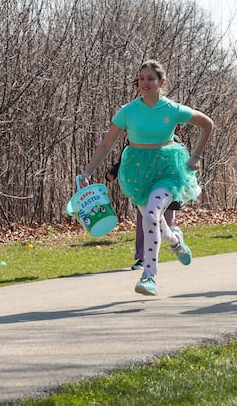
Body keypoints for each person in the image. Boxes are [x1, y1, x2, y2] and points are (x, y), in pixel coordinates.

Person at [79, 59, 213, 296]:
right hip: (136, 171)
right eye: (141, 79)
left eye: (150, 79)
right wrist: (87, 171)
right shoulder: (128, 111)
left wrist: (196, 155)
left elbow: (207, 124)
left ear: (161, 83)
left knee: (151, 216)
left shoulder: (172, 109)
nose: (145, 83)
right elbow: (107, 143)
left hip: (167, 169)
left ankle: (149, 276)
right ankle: (175, 241)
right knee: (155, 221)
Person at [105, 159, 182, 269]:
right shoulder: (137, 142)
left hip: (166, 188)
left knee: (165, 228)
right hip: (145, 188)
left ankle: (175, 238)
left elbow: (178, 155)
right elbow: (128, 157)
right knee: (145, 223)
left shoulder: (169, 143)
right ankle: (143, 258)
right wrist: (114, 171)